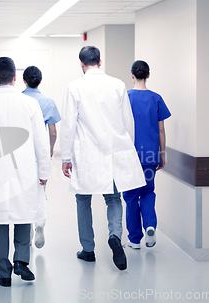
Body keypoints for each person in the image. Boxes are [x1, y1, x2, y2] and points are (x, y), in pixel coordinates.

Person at [0, 57, 51, 287]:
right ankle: (22, 260)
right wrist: (44, 171)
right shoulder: (29, 104)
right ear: (15, 78)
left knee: (0, 221)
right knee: (25, 213)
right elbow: (41, 143)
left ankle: (3, 273)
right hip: (24, 169)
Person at [60, 46, 146, 270]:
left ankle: (88, 250)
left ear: (81, 64)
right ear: (100, 61)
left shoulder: (74, 87)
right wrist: (128, 152)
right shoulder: (117, 84)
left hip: (86, 155)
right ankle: (115, 236)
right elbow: (128, 122)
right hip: (113, 153)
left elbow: (68, 125)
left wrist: (65, 157)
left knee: (83, 200)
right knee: (114, 199)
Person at [123, 60, 171, 249]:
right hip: (150, 155)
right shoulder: (156, 98)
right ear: (148, 75)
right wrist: (162, 154)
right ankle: (150, 225)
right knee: (148, 191)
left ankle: (134, 239)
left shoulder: (125, 98)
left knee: (131, 196)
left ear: (132, 75)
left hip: (130, 156)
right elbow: (161, 131)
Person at [22, 65, 61, 249]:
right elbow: (53, 132)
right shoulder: (48, 102)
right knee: (40, 190)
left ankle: (27, 230)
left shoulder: (19, 100)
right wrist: (50, 150)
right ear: (40, 81)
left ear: (23, 81)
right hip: (40, 153)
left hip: (22, 154)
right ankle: (39, 224)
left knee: (23, 192)